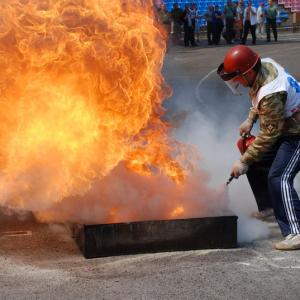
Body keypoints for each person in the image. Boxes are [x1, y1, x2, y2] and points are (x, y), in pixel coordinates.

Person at [217, 45, 300, 250]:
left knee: (279, 177)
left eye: (237, 78)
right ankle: (269, 206)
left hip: (296, 134)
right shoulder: (264, 65)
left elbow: (269, 134)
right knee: (252, 154)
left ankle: (296, 231)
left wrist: (243, 162)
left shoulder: (271, 92)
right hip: (285, 126)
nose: (235, 82)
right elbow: (258, 99)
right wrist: (249, 120)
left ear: (248, 72)